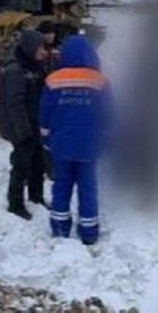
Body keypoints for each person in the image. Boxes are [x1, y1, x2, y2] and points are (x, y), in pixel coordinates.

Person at [40, 35, 111, 245]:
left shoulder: (53, 80)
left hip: (61, 145)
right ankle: (89, 231)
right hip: (89, 146)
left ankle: (60, 228)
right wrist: (106, 139)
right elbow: (108, 113)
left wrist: (46, 140)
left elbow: (45, 113)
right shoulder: (99, 80)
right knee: (88, 188)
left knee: (61, 186)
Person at [0, 28, 50, 220]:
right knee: (21, 165)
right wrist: (23, 133)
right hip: (19, 127)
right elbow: (14, 105)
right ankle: (15, 203)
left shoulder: (35, 66)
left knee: (38, 163)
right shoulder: (15, 70)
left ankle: (36, 197)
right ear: (30, 48)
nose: (45, 51)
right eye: (41, 48)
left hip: (34, 124)